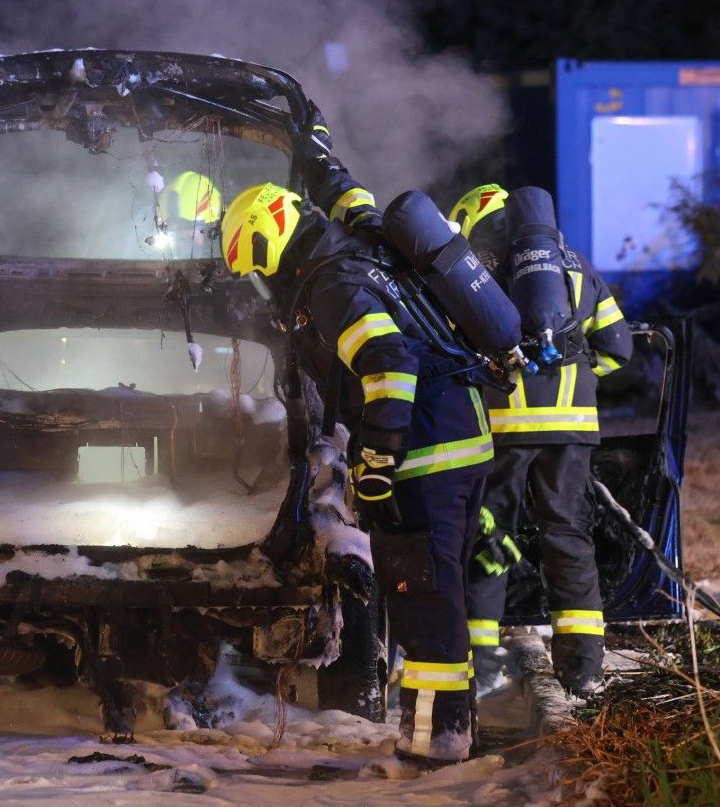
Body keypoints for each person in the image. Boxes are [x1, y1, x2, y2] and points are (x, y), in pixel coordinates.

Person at [219, 111, 518, 763]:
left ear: (270, 244)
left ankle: (435, 750)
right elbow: (345, 188)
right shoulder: (360, 240)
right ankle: (451, 732)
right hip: (462, 442)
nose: (264, 283)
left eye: (259, 266)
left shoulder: (329, 285)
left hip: (424, 456)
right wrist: (313, 144)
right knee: (443, 595)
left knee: (422, 601)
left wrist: (377, 457)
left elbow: (389, 361)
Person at [450, 183, 633, 697]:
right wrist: (578, 377)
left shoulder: (477, 271)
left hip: (504, 431)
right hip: (572, 431)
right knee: (568, 538)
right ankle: (583, 670)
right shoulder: (576, 267)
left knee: (490, 539)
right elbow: (620, 348)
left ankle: (479, 664)